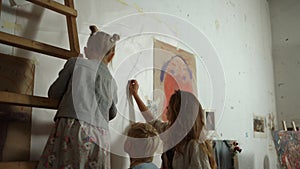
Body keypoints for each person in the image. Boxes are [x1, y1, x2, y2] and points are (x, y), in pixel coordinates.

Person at [37, 25, 120, 169]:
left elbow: (54, 93)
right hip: (101, 136)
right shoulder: (112, 82)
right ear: (111, 56)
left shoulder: (75, 63)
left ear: (86, 50)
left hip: (74, 128)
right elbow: (112, 113)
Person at [129, 80, 217, 169]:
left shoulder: (195, 145)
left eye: (170, 105)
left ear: (178, 113)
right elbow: (151, 120)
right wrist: (135, 95)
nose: (167, 108)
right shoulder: (170, 131)